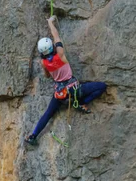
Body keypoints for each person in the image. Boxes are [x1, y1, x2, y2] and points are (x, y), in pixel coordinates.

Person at [25, 16, 107, 146]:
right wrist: (50, 22)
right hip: (74, 90)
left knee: (48, 114)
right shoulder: (61, 55)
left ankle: (33, 135)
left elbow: (47, 76)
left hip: (60, 94)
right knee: (101, 86)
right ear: (52, 48)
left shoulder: (44, 63)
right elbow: (56, 36)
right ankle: (82, 102)